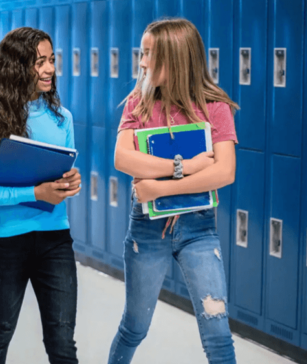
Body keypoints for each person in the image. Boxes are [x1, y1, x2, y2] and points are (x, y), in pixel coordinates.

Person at [109, 18, 239, 364]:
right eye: (142, 52)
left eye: (150, 54)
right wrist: (187, 167)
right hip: (147, 230)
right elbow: (123, 158)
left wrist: (157, 186)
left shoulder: (215, 106)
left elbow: (225, 171)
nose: (141, 62)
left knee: (218, 336)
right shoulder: (138, 102)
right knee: (134, 327)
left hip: (198, 229)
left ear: (176, 57)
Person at [0, 27, 81, 364]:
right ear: (17, 66)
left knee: (62, 342)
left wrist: (70, 182)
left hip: (55, 239)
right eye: (38, 61)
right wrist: (32, 192)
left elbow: (62, 176)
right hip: (6, 243)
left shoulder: (62, 118)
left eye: (52, 60)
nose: (49, 69)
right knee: (1, 330)